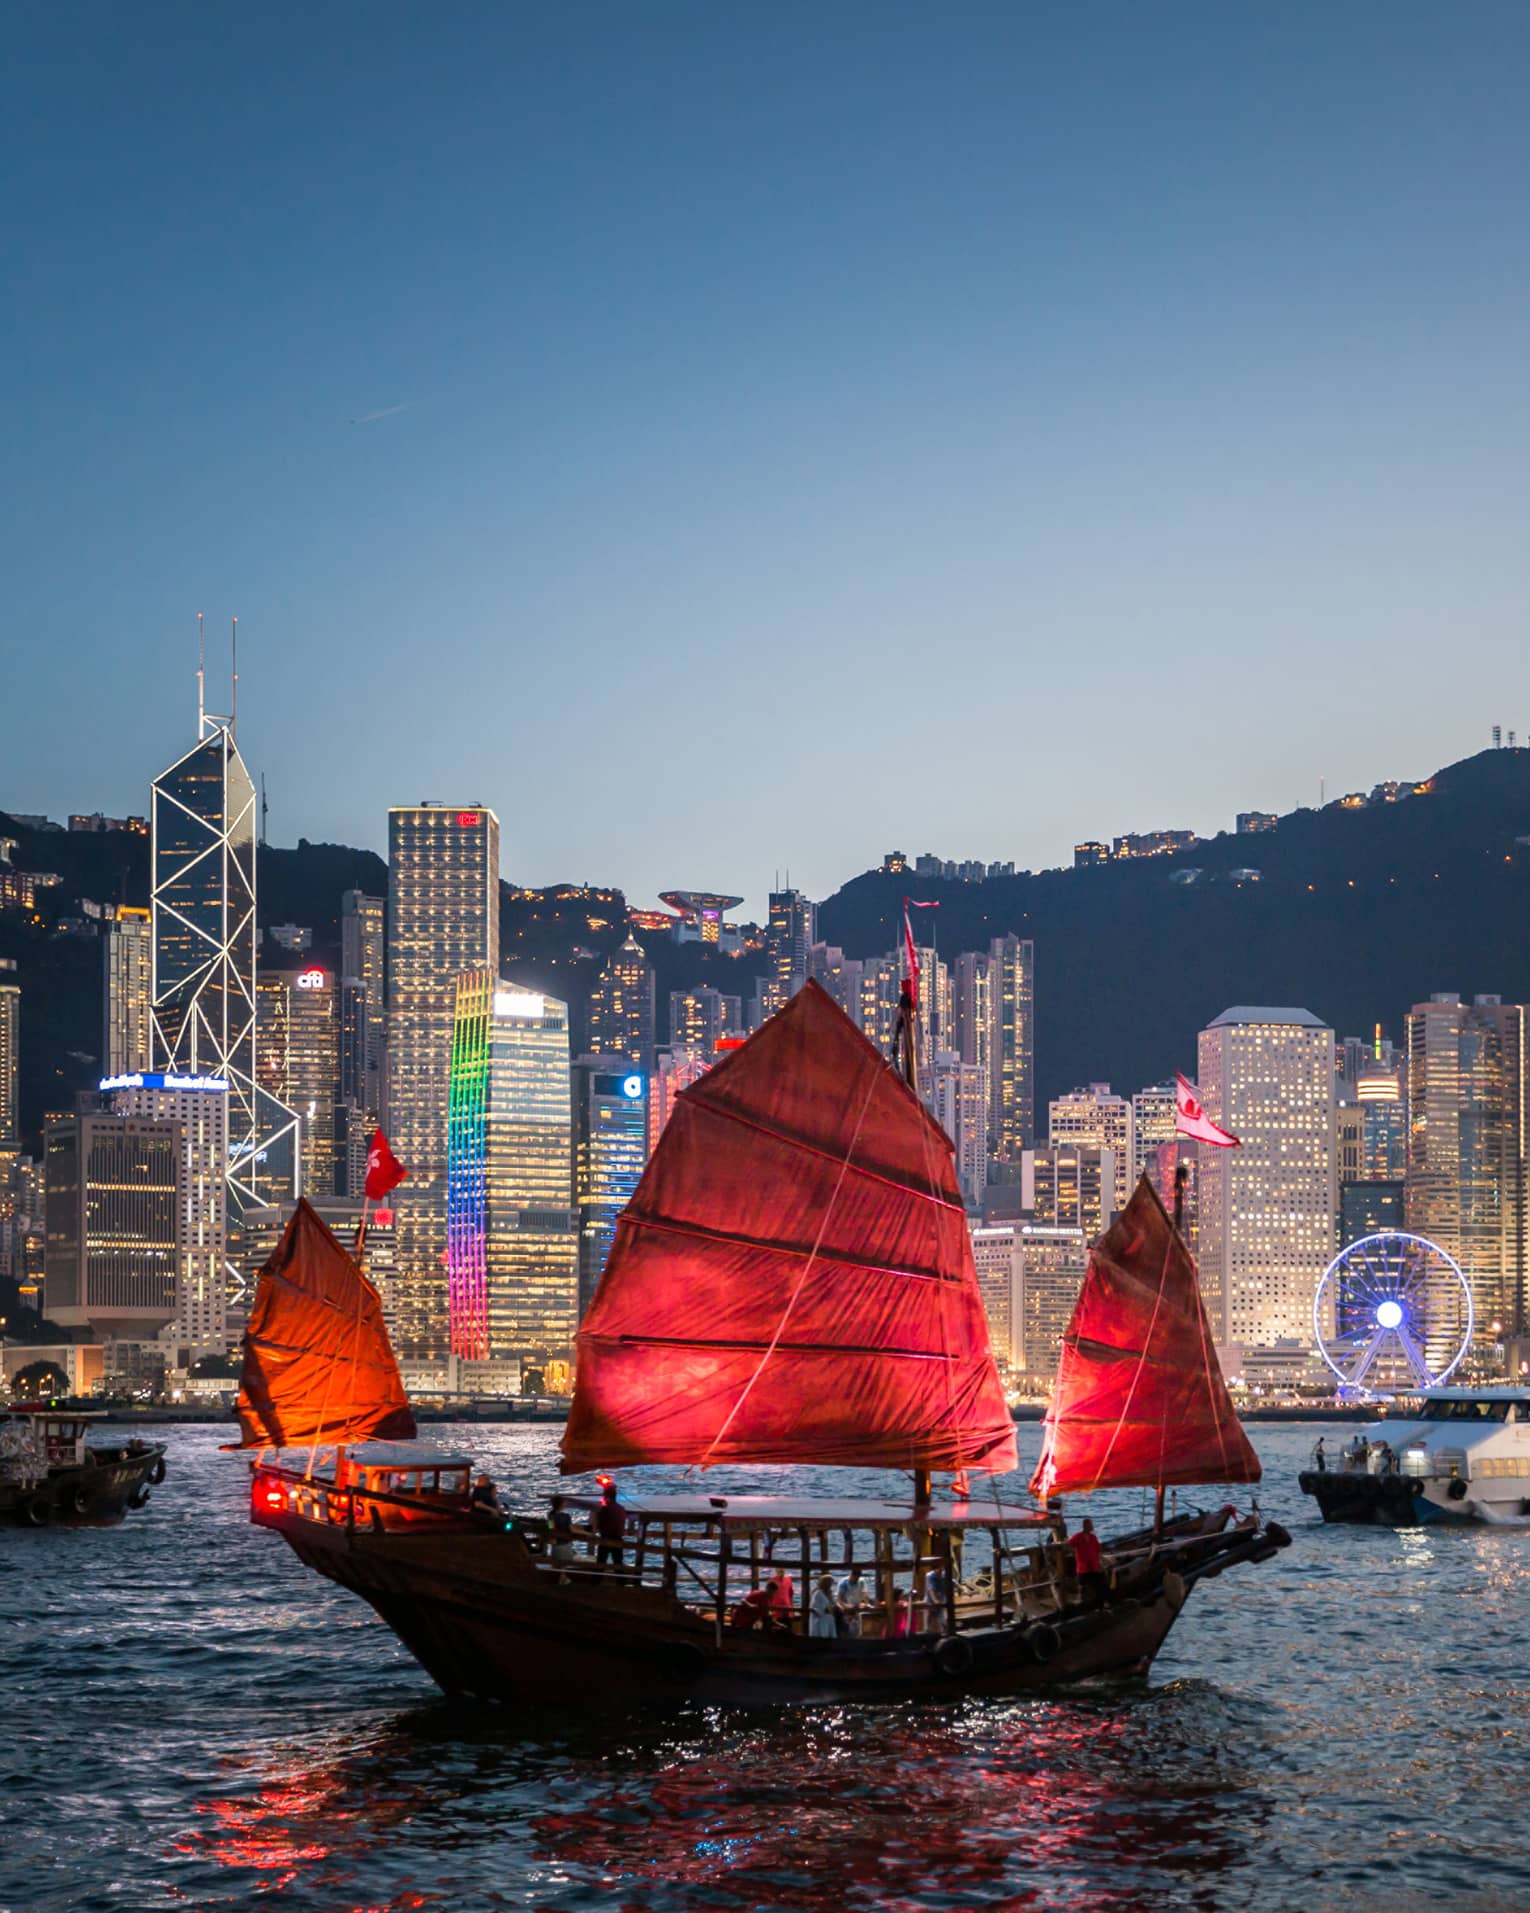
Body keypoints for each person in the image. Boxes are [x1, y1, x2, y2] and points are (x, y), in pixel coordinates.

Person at [592, 1479, 626, 1569]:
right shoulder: (621, 1508)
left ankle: (595, 1582)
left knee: (601, 1563)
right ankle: (621, 1582)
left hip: (606, 1538)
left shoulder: (605, 1509)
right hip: (618, 1538)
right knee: (618, 1563)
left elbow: (600, 1523)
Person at [837, 1565, 870, 1637]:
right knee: (847, 1628)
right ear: (851, 1575)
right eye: (855, 1577)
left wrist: (867, 1603)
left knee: (858, 1629)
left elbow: (865, 1593)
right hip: (846, 1607)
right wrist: (846, 1606)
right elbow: (839, 1599)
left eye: (858, 1577)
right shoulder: (844, 1583)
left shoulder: (861, 1581)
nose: (857, 1579)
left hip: (857, 1607)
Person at [809, 1574, 839, 1639]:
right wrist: (828, 1609)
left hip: (829, 1620)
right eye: (830, 1583)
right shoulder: (818, 1593)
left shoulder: (829, 1593)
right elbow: (817, 1608)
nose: (831, 1585)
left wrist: (831, 1597)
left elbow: (833, 1606)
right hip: (821, 1621)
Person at [924, 1562, 950, 1636]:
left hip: (941, 1597)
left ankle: (943, 1632)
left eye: (942, 1568)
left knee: (941, 1616)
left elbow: (952, 1581)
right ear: (935, 1569)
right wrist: (935, 1600)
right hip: (930, 1599)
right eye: (939, 1568)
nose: (941, 1570)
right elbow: (930, 1588)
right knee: (929, 1616)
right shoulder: (929, 1576)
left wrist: (962, 1589)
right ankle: (927, 1632)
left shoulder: (944, 1574)